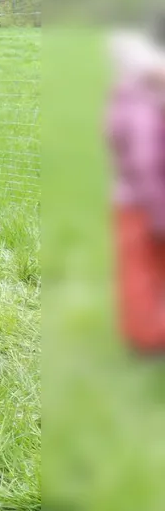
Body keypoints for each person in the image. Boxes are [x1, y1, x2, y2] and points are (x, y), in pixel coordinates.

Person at [108, 29, 165, 353]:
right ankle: (148, 336)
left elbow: (144, 162)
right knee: (145, 271)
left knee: (142, 271)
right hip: (145, 202)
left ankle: (148, 335)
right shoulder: (142, 104)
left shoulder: (133, 101)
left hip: (142, 203)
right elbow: (144, 163)